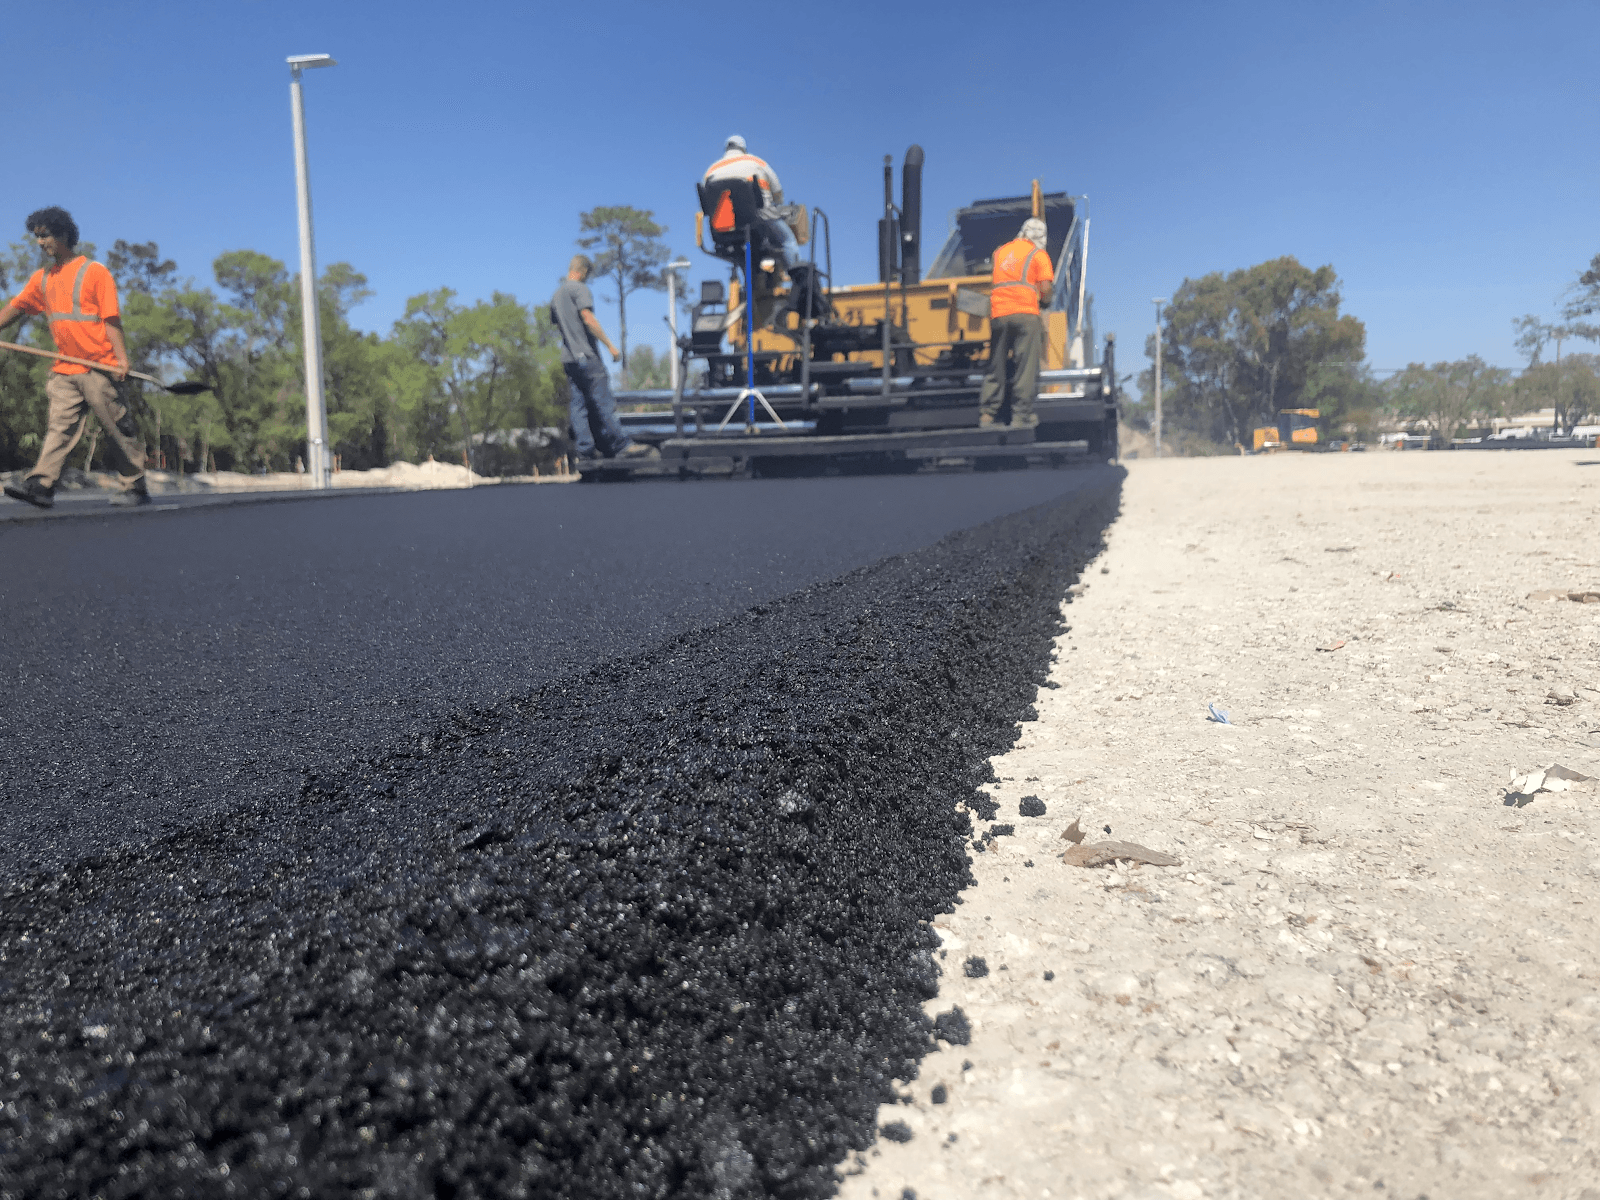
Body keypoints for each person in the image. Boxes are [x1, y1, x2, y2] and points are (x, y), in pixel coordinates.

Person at [0, 207, 148, 508]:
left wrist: (122, 359)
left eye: (45, 236)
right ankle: (42, 485)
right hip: (65, 367)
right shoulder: (42, 279)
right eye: (37, 237)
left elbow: (110, 318)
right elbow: (16, 307)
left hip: (99, 366)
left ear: (63, 235)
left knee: (117, 429)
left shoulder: (95, 272)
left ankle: (134, 485)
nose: (41, 243)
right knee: (60, 426)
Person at [550, 255, 656, 466]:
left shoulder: (556, 295)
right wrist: (610, 346)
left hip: (569, 358)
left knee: (578, 403)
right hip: (586, 356)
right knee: (602, 400)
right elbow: (588, 318)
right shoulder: (579, 289)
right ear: (583, 272)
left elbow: (558, 324)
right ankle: (621, 444)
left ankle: (585, 449)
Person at [978, 217, 1055, 430]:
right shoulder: (1039, 255)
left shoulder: (1000, 251)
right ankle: (1021, 417)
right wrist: (1045, 301)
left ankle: (987, 415)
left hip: (999, 314)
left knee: (996, 365)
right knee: (1025, 367)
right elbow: (1046, 288)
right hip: (1026, 314)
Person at [702, 135, 801, 271]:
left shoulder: (711, 170)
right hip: (758, 221)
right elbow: (777, 192)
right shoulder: (757, 162)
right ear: (743, 149)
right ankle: (798, 277)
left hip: (724, 229)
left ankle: (754, 278)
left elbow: (707, 204)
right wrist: (777, 205)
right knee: (788, 240)